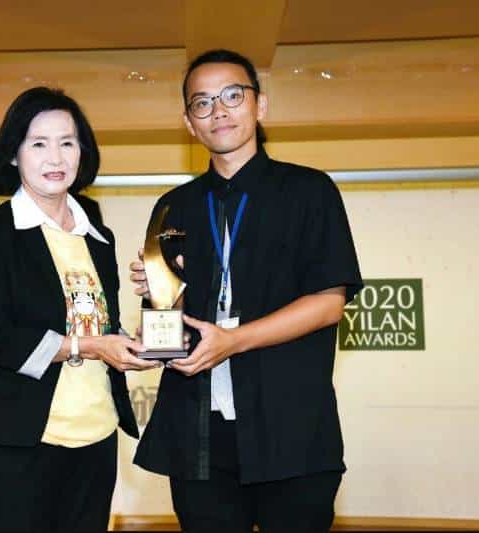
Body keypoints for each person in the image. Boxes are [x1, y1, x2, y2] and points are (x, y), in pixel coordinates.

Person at [130, 50, 363, 532]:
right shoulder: (173, 206)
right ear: (189, 123)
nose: (218, 110)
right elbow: (168, 328)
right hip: (199, 437)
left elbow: (328, 303)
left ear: (260, 105)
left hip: (291, 430)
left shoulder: (310, 191)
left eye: (232, 96)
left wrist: (233, 340)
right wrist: (160, 293)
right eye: (202, 103)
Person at [0, 87, 158, 533]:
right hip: (16, 440)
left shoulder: (97, 235)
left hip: (96, 434)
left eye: (67, 142)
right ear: (14, 154)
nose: (55, 157)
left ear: (82, 152)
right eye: (38, 143)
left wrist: (129, 344)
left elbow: (95, 322)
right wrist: (93, 346)